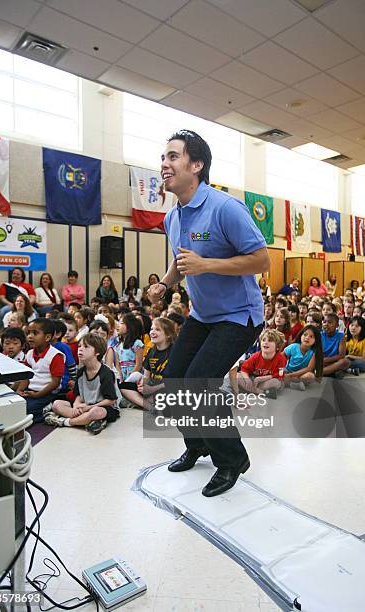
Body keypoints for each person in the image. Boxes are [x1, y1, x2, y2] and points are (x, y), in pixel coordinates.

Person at [148, 129, 269, 498]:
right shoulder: (174, 217)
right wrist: (166, 284)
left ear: (196, 165)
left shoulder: (225, 208)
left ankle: (232, 460)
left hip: (239, 316)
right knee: (175, 378)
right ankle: (198, 444)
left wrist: (208, 265)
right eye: (164, 157)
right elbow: (183, 260)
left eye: (173, 156)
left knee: (199, 382)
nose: (164, 164)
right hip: (203, 314)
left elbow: (261, 260)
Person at [46, 334, 119, 434]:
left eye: (86, 347)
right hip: (85, 405)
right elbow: (78, 395)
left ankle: (66, 422)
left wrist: (88, 408)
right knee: (56, 404)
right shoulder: (80, 372)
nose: (80, 349)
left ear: (97, 352)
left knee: (96, 412)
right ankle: (88, 421)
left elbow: (110, 400)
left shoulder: (106, 373)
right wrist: (76, 405)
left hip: (102, 406)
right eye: (79, 346)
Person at [15, 319, 65, 423]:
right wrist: (19, 390)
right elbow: (27, 376)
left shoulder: (56, 356)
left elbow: (55, 383)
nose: (30, 336)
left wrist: (38, 395)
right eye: (28, 333)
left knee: (27, 409)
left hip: (48, 393)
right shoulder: (29, 353)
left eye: (35, 333)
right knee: (15, 406)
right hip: (32, 390)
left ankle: (48, 409)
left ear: (47, 337)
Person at [121, 317, 176, 410]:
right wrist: (143, 385)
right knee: (125, 386)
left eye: (157, 329)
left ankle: (141, 402)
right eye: (151, 329)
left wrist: (151, 389)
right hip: (153, 387)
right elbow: (146, 376)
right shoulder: (151, 351)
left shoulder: (174, 352)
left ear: (168, 335)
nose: (152, 332)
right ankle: (149, 406)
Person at [236, 329, 286, 400]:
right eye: (263, 340)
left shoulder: (281, 358)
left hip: (267, 380)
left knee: (276, 383)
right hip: (253, 378)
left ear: (277, 346)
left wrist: (261, 378)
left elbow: (279, 374)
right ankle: (262, 392)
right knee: (237, 376)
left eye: (270, 341)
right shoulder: (255, 356)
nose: (266, 342)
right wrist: (247, 380)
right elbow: (244, 369)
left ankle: (248, 390)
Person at [283, 325, 323, 390]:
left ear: (316, 340)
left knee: (310, 376)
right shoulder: (293, 346)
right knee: (280, 374)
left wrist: (291, 375)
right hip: (288, 371)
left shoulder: (314, 352)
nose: (307, 338)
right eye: (305, 335)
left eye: (311, 336)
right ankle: (294, 384)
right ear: (301, 336)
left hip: (301, 375)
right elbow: (281, 357)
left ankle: (290, 382)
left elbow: (309, 368)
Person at [321, 313, 350, 378]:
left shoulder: (341, 336)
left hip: (334, 361)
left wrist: (326, 360)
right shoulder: (320, 335)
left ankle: (320, 372)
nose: (326, 324)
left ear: (337, 325)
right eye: (324, 322)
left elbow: (341, 355)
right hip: (322, 362)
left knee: (345, 362)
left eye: (330, 322)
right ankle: (331, 372)